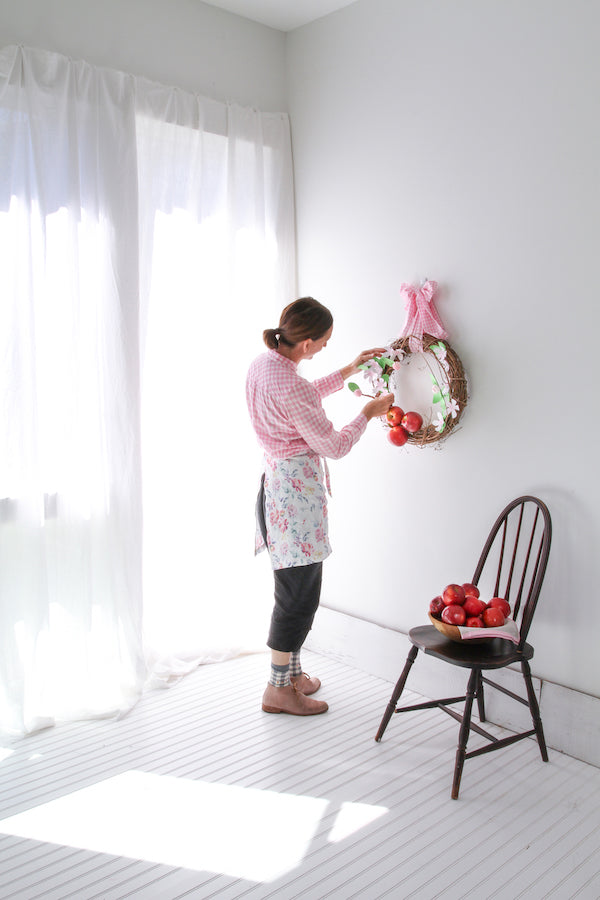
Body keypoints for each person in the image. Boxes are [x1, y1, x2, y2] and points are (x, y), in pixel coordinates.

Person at [246, 297, 393, 716]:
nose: (327, 347)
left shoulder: (266, 364)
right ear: (307, 343)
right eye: (325, 343)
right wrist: (367, 413)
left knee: (297, 589)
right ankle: (277, 690)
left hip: (276, 488)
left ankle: (291, 676)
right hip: (294, 500)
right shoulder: (290, 384)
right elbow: (334, 445)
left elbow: (303, 396)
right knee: (297, 597)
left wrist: (349, 369)